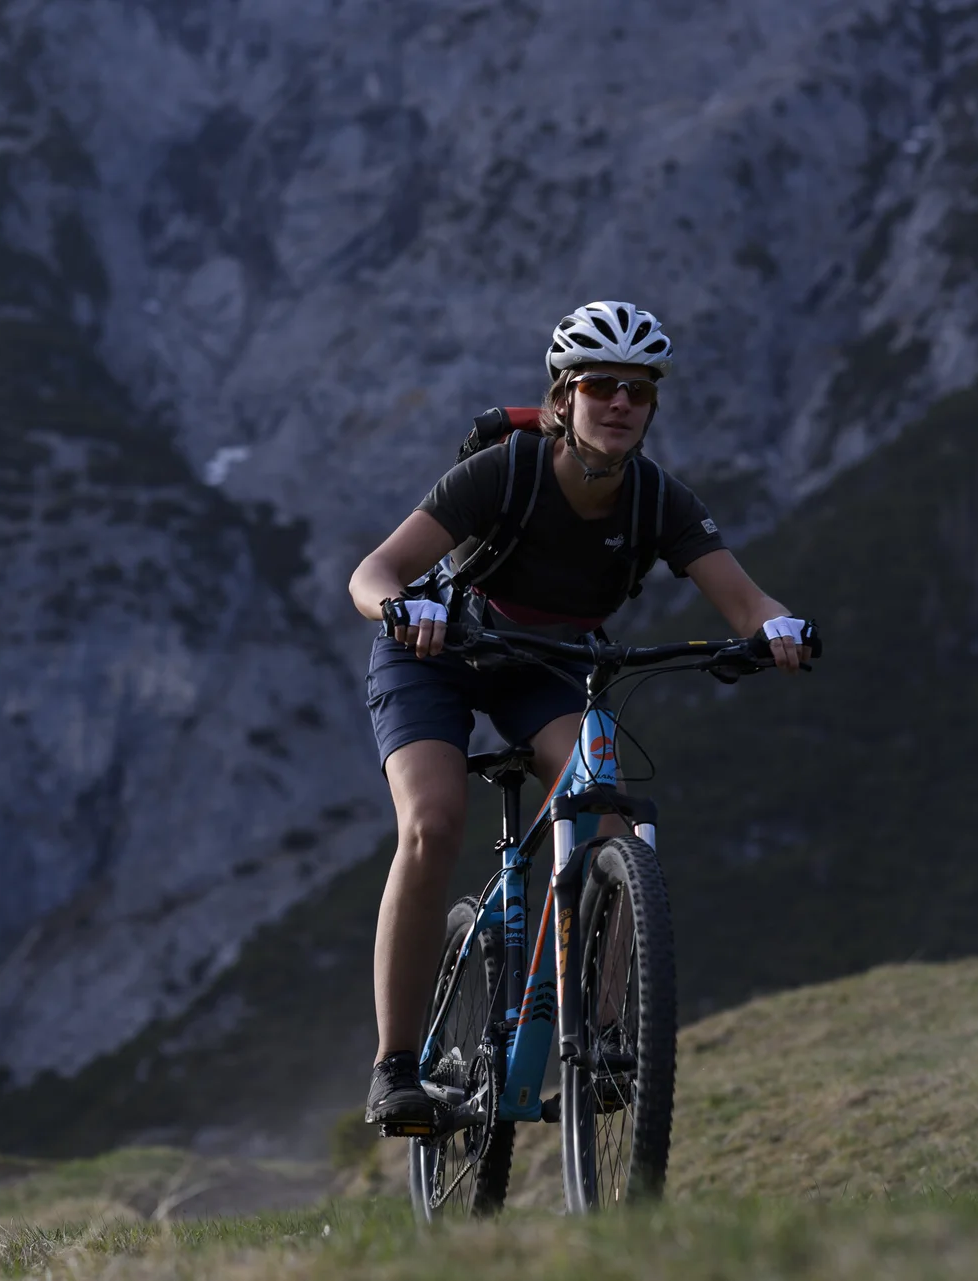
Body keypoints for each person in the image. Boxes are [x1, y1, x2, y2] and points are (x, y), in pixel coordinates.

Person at [346, 301, 815, 1129]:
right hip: (437, 653)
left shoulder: (657, 500)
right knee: (432, 824)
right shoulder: (506, 473)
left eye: (639, 390)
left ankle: (600, 1038)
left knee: (610, 818)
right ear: (563, 397)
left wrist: (781, 628)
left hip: (548, 666)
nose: (621, 403)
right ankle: (396, 1065)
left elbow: (748, 603)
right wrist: (398, 609)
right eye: (601, 385)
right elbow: (374, 571)